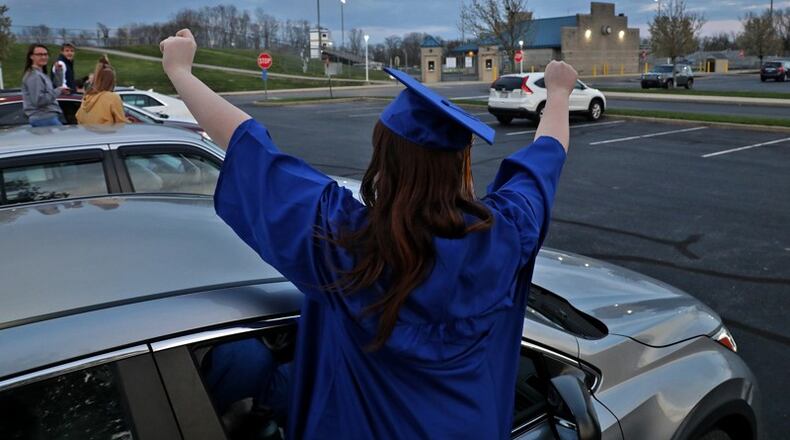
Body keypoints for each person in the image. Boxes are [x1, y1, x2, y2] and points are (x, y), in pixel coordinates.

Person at [161, 29, 576, 439]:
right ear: (460, 166)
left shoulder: (346, 242)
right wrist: (557, 95)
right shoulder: (506, 236)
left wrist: (181, 72)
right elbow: (544, 160)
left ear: (383, 161)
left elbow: (251, 150)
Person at [22, 44, 69, 127]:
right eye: (39, 54)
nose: (43, 57)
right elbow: (39, 101)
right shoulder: (34, 76)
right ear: (31, 56)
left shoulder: (41, 73)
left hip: (46, 118)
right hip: (44, 118)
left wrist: (58, 72)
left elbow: (55, 87)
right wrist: (58, 90)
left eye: (45, 54)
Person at [76, 56, 128, 125]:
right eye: (114, 80)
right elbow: (121, 124)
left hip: (88, 134)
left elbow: (79, 118)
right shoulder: (113, 98)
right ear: (111, 81)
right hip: (107, 134)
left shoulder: (87, 97)